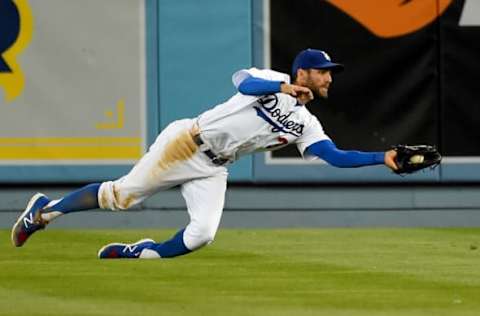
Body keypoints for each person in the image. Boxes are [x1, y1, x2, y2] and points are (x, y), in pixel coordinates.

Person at [11, 48, 398, 259]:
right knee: (120, 197)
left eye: (331, 72)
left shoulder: (307, 124)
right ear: (302, 73)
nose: (330, 77)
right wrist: (282, 89)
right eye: (323, 71)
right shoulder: (273, 81)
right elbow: (241, 82)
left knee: (201, 235)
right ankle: (44, 211)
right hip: (186, 144)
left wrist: (384, 158)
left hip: (214, 168)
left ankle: (141, 253)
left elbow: (334, 155)